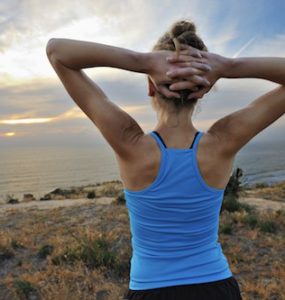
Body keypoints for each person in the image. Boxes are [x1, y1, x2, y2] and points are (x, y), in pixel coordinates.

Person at [46, 19, 285, 300]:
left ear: (150, 86)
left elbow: (57, 51)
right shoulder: (222, 142)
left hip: (150, 290)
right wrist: (227, 66)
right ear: (205, 89)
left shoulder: (130, 142)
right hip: (216, 288)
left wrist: (142, 61)